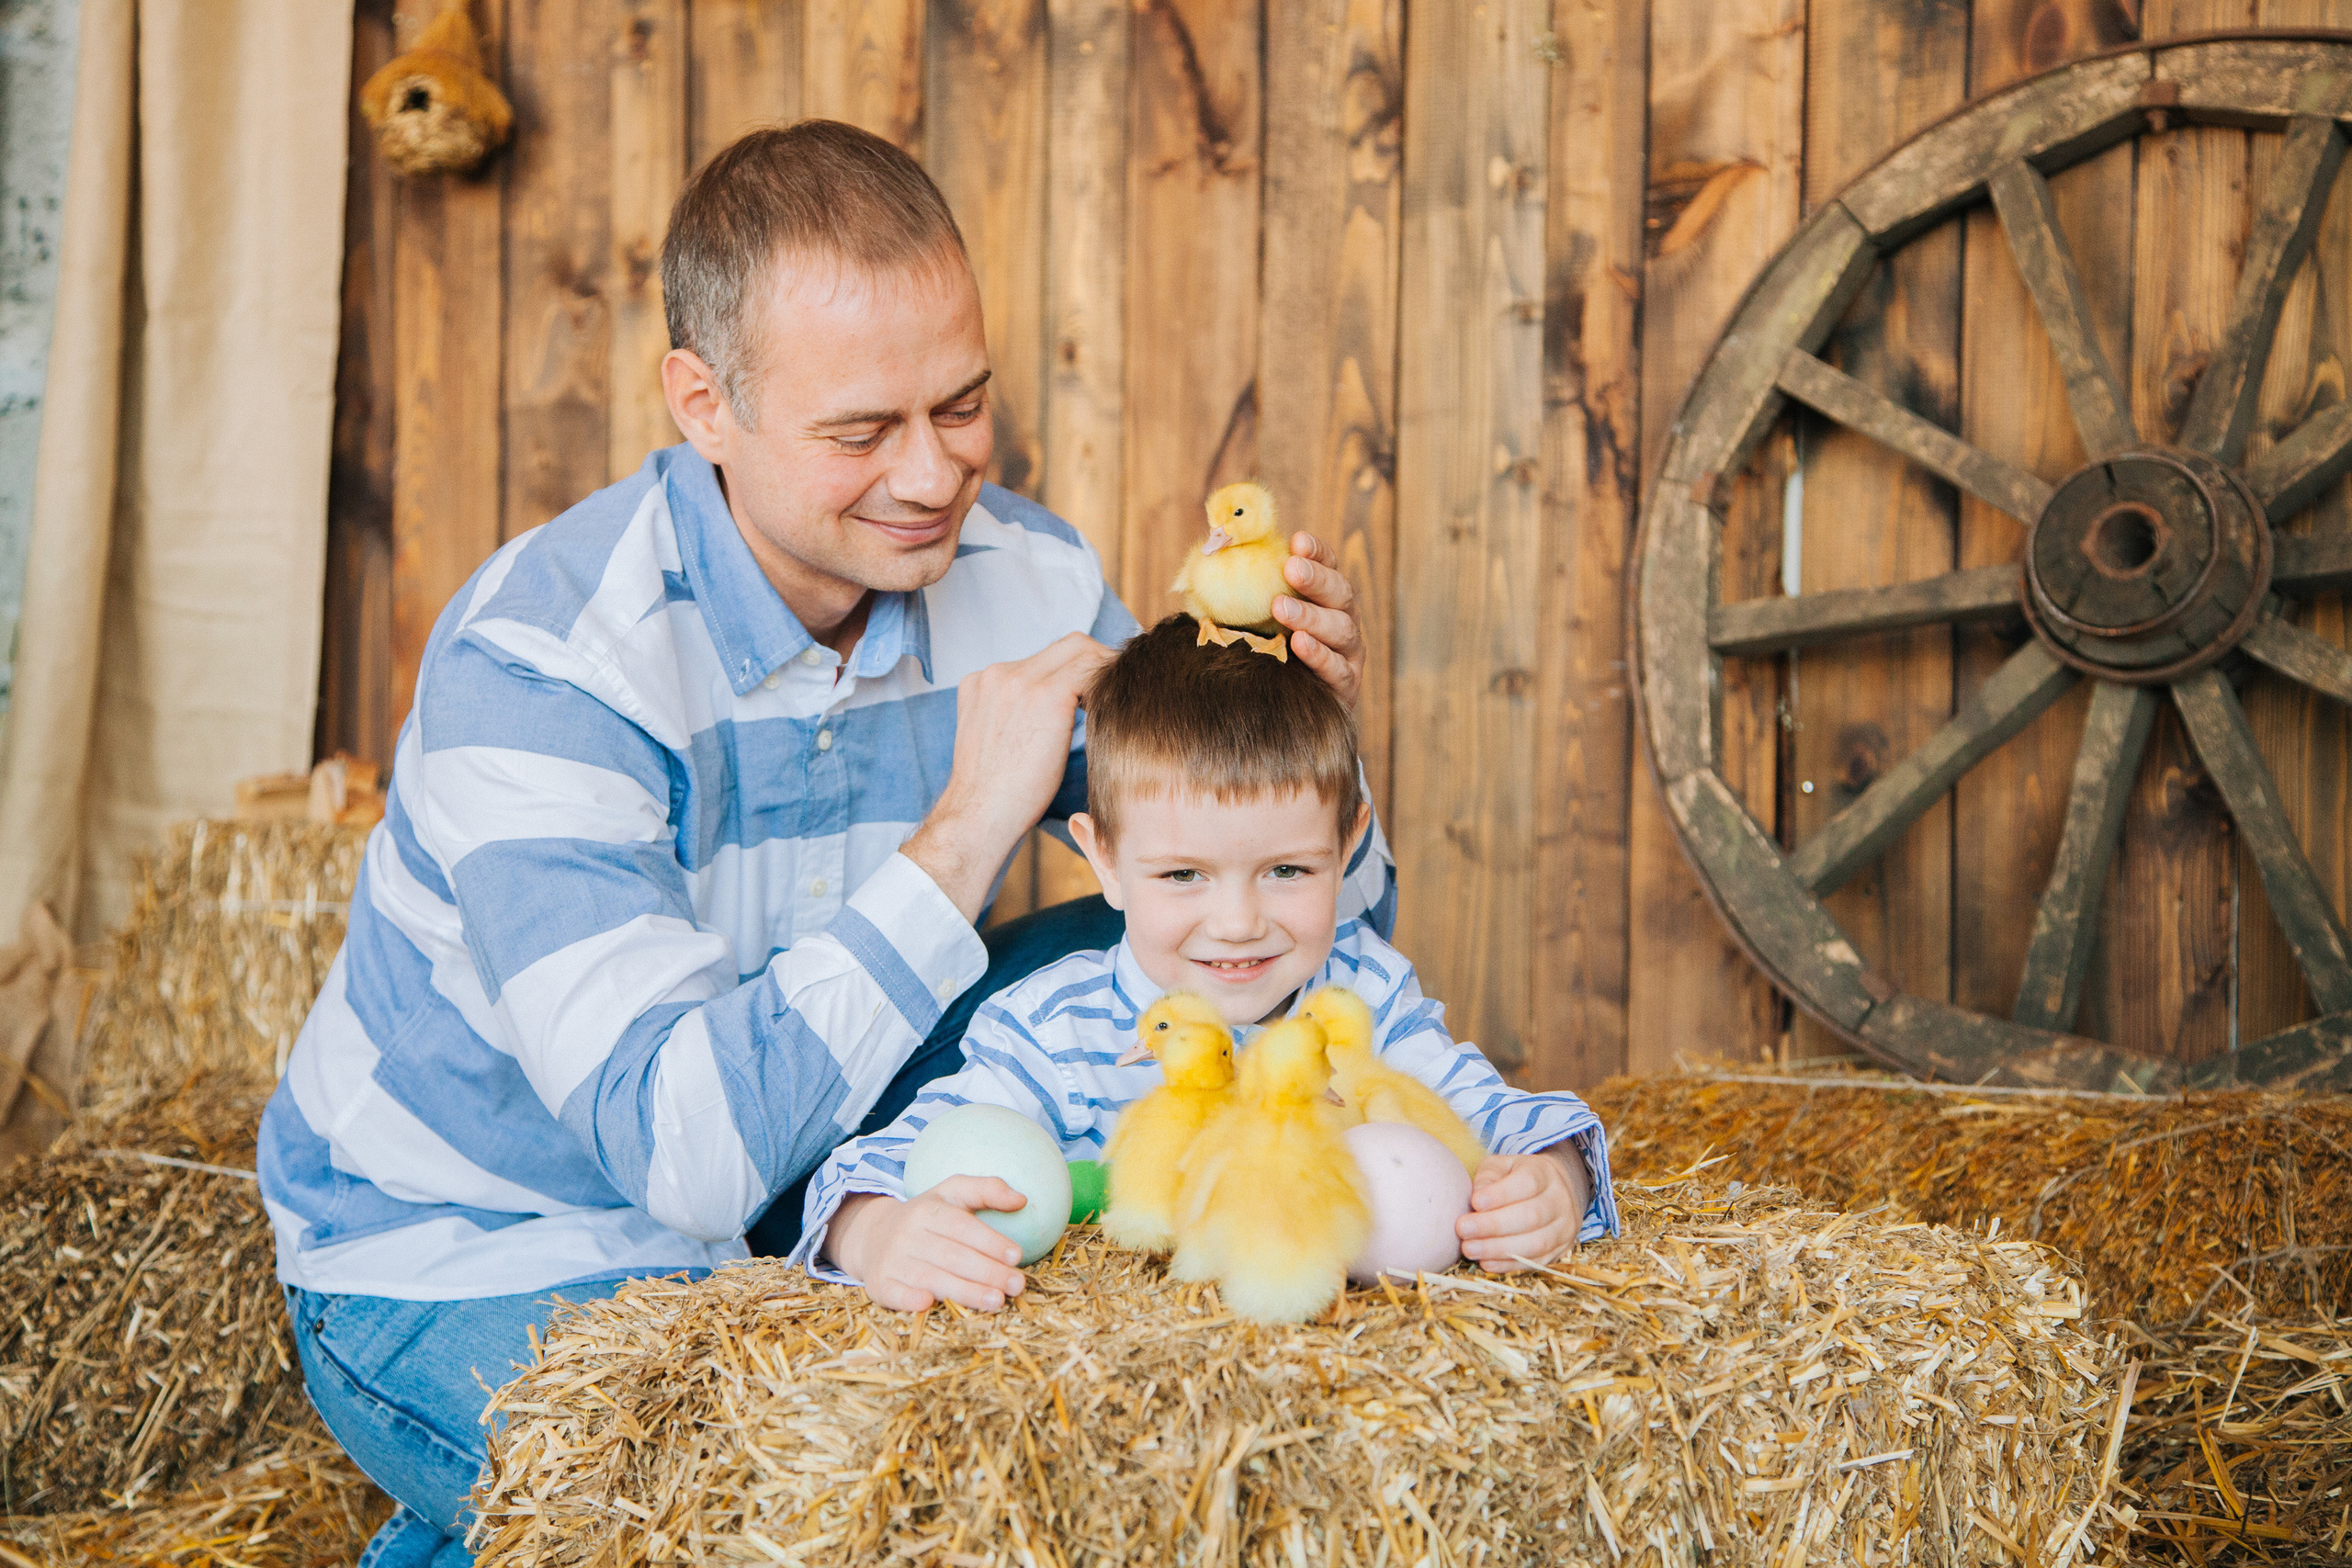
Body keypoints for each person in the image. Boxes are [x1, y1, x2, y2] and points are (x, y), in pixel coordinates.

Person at [256, 122, 1385, 1566]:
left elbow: (1299, 944)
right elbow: (683, 1157)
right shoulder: (548, 664)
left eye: (964, 405)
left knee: (1160, 935)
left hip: (818, 1157)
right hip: (470, 1241)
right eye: (861, 432)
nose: (932, 477)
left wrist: (1307, 747)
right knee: (775, 1510)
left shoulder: (1023, 577)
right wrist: (974, 820)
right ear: (702, 403)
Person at [802, 615, 1616, 1311]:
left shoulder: (1364, 994)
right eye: (1183, 875)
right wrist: (878, 1234)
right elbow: (877, 1163)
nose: (1238, 925)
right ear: (1106, 861)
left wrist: (1553, 1187)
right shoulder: (1050, 1027)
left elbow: (1511, 1117)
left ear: (1348, 842)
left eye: (1288, 871)